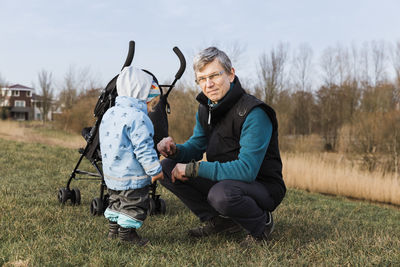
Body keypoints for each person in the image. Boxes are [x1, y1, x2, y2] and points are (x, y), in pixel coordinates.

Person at [157, 47, 286, 245]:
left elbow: (246, 170)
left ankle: (262, 225)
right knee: (166, 167)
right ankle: (221, 221)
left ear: (231, 74)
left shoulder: (254, 112)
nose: (208, 85)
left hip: (262, 186)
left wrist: (193, 169)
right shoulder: (206, 109)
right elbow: (197, 145)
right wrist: (176, 151)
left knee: (222, 194)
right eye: (202, 79)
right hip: (226, 180)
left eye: (214, 75)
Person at [99, 66, 164, 246]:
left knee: (116, 201)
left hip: (112, 173)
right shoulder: (139, 118)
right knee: (133, 204)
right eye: (151, 104)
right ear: (143, 96)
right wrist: (155, 170)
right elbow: (143, 148)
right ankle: (128, 236)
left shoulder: (110, 113)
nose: (151, 109)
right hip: (132, 175)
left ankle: (113, 231)